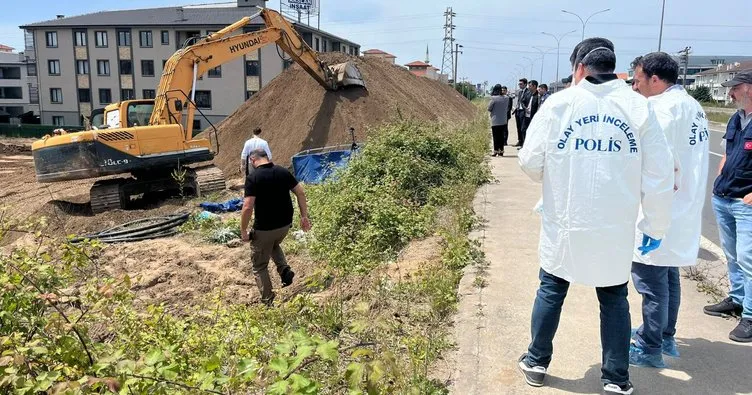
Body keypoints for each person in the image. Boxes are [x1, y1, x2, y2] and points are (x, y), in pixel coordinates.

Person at [516, 38, 674, 395]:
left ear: (581, 68)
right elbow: (660, 175)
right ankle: (616, 378)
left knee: (552, 288)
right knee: (614, 298)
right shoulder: (638, 108)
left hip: (566, 221)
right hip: (613, 226)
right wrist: (656, 224)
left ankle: (537, 361)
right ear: (616, 69)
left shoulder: (560, 104)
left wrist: (558, 171)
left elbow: (529, 161)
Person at [628, 52, 710, 366]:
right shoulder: (692, 106)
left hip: (660, 208)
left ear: (655, 79)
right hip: (683, 207)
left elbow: (654, 163)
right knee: (668, 275)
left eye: (637, 79)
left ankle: (648, 347)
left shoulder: (660, 109)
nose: (635, 86)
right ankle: (665, 337)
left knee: (650, 280)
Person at [703, 69, 752, 343]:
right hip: (724, 197)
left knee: (748, 258)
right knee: (732, 255)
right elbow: (726, 154)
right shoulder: (737, 118)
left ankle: (751, 315)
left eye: (735, 88)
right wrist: (720, 179)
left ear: (749, 88)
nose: (730, 94)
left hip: (746, 202)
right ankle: (737, 299)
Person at [240, 148, 311, 306]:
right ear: (267, 157)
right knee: (273, 244)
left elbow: (247, 206)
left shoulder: (253, 178)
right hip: (285, 225)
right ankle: (284, 270)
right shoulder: (283, 172)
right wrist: (304, 216)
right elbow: (300, 192)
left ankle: (268, 302)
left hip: (264, 229)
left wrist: (244, 230)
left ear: (252, 160)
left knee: (259, 266)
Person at [488, 84, 512, 156]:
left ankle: (495, 151)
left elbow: (489, 108)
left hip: (495, 120)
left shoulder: (493, 98)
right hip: (503, 120)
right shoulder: (506, 98)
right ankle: (501, 151)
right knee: (501, 136)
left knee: (496, 137)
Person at [519, 80, 541, 148]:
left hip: (533, 117)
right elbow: (522, 102)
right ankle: (524, 145)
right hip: (525, 116)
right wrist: (525, 108)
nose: (528, 87)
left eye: (530, 86)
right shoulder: (527, 94)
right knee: (523, 130)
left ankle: (531, 146)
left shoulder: (538, 96)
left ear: (534, 86)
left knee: (532, 132)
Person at [514, 78, 531, 147]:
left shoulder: (528, 92)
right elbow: (519, 101)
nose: (519, 85)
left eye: (521, 84)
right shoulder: (520, 92)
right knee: (518, 127)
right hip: (518, 111)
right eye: (519, 84)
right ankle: (520, 140)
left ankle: (524, 142)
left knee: (523, 128)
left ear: (525, 84)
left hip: (524, 111)